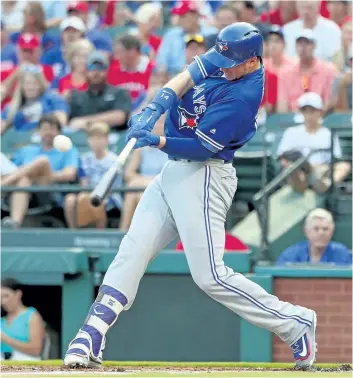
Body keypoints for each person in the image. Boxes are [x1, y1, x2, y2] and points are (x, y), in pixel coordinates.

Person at [64, 22, 317, 370]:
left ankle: (295, 323)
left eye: (230, 65)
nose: (222, 68)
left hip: (205, 173)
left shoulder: (243, 97)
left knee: (210, 276)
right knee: (132, 250)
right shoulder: (229, 52)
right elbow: (184, 77)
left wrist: (156, 139)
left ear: (250, 61)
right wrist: (157, 105)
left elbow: (200, 148)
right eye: (222, 60)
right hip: (173, 171)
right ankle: (91, 333)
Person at [1, 115, 79, 228]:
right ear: (38, 131)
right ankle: (15, 224)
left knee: (43, 161)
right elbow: (14, 171)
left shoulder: (68, 150)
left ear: (59, 132)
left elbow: (70, 174)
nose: (48, 132)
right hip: (28, 189)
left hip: (49, 189)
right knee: (23, 180)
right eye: (44, 129)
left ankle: (2, 186)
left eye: (52, 129)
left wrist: (40, 173)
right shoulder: (26, 150)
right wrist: (31, 174)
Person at [277, 92, 351, 194]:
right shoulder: (291, 132)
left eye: (312, 111)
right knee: (291, 168)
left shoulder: (328, 134)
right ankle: (302, 191)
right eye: (305, 111)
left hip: (321, 171)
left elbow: (335, 159)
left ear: (320, 112)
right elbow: (282, 158)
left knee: (344, 166)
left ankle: (326, 185)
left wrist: (321, 170)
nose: (308, 115)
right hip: (299, 171)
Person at [64, 122, 122, 229]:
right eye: (93, 138)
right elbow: (84, 183)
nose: (96, 141)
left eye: (100, 137)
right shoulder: (83, 159)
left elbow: (113, 187)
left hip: (109, 195)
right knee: (70, 199)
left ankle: (100, 234)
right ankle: (74, 233)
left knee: (97, 200)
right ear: (88, 140)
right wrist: (86, 194)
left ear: (107, 140)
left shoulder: (114, 160)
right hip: (87, 193)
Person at [119, 115, 168, 231]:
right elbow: (128, 173)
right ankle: (123, 231)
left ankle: (129, 231)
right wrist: (143, 181)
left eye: (161, 122)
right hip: (143, 186)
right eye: (156, 122)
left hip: (164, 187)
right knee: (134, 192)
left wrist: (147, 181)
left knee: (137, 191)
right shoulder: (142, 148)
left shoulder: (172, 146)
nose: (158, 125)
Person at [68, 51, 132, 132]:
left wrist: (85, 121)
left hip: (114, 138)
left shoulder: (120, 93)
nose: (96, 72)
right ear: (86, 71)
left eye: (100, 68)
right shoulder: (76, 97)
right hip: (82, 139)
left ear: (107, 71)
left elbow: (120, 117)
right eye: (92, 67)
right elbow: (70, 122)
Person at [277, 29, 337, 113]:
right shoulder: (285, 73)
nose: (303, 48)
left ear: (314, 45)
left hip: (319, 118)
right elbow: (282, 107)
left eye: (307, 43)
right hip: (292, 119)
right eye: (299, 44)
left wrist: (312, 118)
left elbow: (329, 102)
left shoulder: (328, 70)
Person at [155, 1, 217, 80]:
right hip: (175, 78)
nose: (180, 20)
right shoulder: (171, 35)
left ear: (195, 15)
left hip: (206, 78)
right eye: (179, 16)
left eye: (183, 16)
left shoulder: (212, 34)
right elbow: (161, 64)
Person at [1, 68, 68, 135]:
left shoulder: (53, 99)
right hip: (20, 141)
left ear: (41, 84)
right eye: (27, 83)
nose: (31, 87)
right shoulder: (12, 106)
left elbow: (61, 120)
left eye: (35, 83)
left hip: (46, 139)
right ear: (21, 86)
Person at [277, 208, 352, 265]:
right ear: (306, 231)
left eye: (325, 229)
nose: (321, 233)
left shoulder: (342, 254)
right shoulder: (290, 255)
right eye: (316, 229)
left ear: (332, 232)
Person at [1, 33, 55, 110]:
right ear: (18, 52)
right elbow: (2, 94)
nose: (27, 55)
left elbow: (49, 94)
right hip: (9, 111)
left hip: (38, 109)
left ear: (38, 51)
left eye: (30, 51)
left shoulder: (47, 70)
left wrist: (36, 72)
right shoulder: (6, 71)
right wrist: (15, 74)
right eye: (24, 51)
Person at [1, 278, 46, 361]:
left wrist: (4, 338)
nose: (3, 301)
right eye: (0, 297)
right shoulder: (2, 320)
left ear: (18, 294)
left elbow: (36, 350)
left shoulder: (32, 315)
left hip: (26, 365)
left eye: (6, 296)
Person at [107, 34, 155, 112]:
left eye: (119, 52)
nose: (116, 57)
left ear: (132, 51)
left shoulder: (152, 70)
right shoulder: (113, 70)